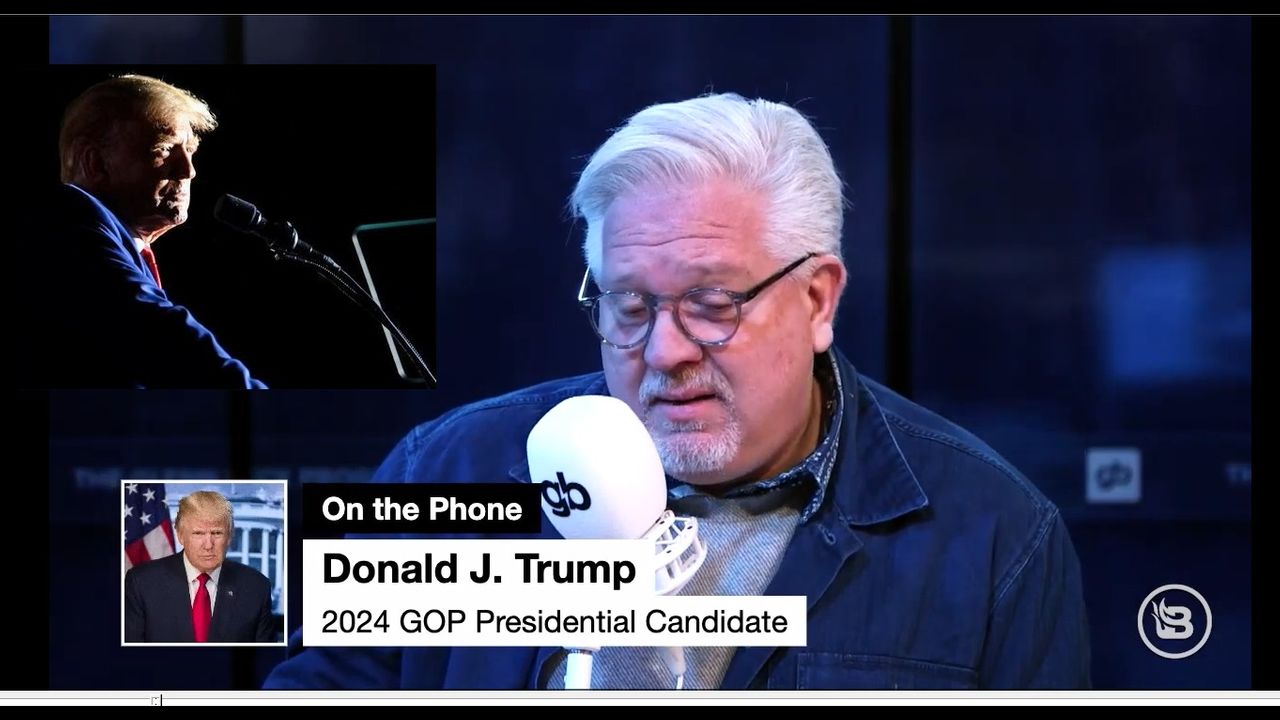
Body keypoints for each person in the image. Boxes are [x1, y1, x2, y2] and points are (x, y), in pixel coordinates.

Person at [264, 93, 1091, 689]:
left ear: (817, 301)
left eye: (713, 304)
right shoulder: (446, 469)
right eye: (629, 306)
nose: (663, 351)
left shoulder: (995, 538)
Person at [25, 74, 265, 388]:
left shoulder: (111, 237)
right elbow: (160, 334)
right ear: (95, 163)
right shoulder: (70, 218)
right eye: (163, 149)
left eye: (189, 150)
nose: (188, 170)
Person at [125, 490, 276, 643]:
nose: (208, 545)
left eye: (217, 533)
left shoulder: (256, 587)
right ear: (181, 535)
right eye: (198, 533)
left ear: (229, 536)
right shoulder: (142, 583)